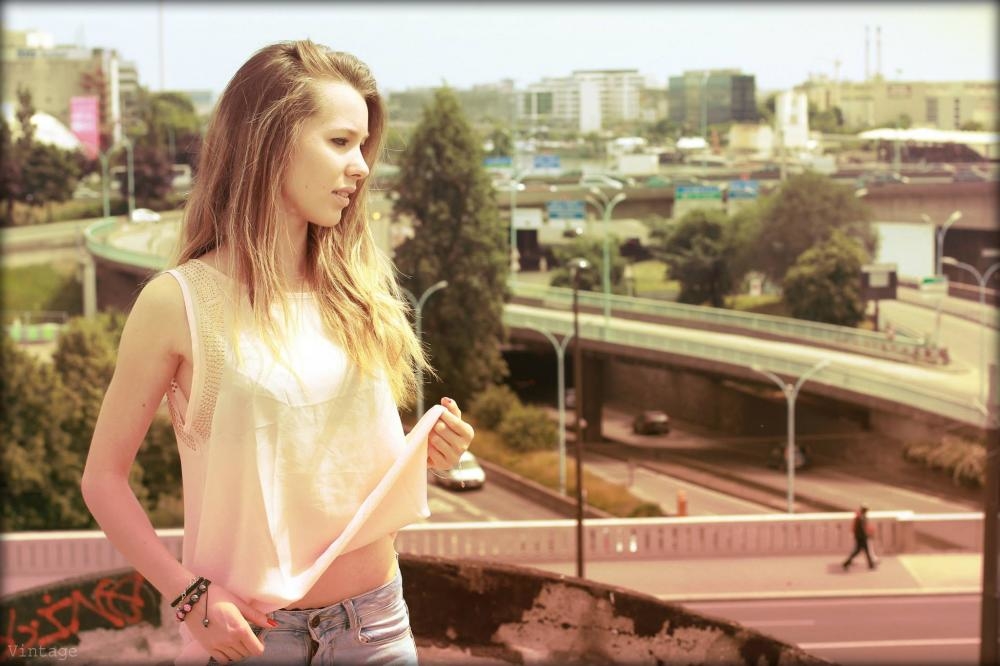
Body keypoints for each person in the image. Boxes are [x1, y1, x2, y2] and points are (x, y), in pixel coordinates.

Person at [81, 40, 474, 665]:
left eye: (363, 147)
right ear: (270, 143)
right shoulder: (178, 302)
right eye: (340, 142)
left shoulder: (359, 290)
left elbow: (327, 457)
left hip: (377, 629)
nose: (361, 167)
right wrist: (188, 596)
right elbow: (102, 479)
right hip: (254, 642)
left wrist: (422, 453)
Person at [842, 504, 877, 570]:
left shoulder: (860, 517)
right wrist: (867, 535)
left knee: (860, 551)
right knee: (864, 551)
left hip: (859, 537)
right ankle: (870, 565)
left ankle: (847, 563)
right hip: (862, 538)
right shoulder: (861, 518)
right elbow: (862, 529)